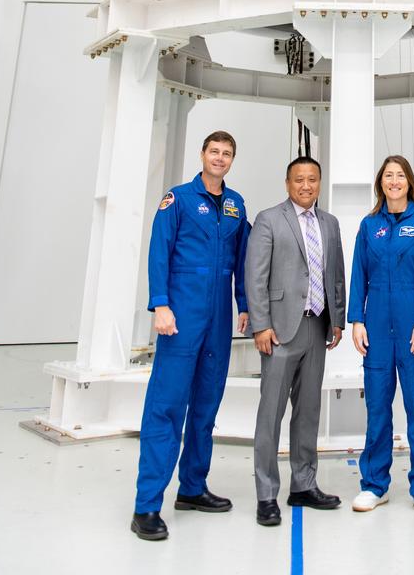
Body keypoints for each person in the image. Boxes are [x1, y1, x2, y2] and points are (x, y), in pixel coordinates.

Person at [132, 131, 250, 541]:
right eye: (214, 152)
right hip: (181, 313)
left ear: (232, 160)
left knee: (205, 406)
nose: (220, 158)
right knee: (166, 406)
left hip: (218, 317)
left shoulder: (236, 205)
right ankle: (147, 504)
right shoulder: (177, 199)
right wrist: (160, 303)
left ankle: (193, 487)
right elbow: (158, 251)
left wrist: (246, 304)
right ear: (203, 155)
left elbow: (242, 259)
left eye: (227, 154)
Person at [246, 156, 346, 526]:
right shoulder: (269, 220)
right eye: (299, 180)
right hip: (279, 330)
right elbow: (255, 276)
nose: (306, 186)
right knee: (270, 414)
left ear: (320, 182)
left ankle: (303, 484)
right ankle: (266, 493)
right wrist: (260, 325)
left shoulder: (330, 223)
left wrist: (337, 319)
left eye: (312, 180)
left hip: (317, 328)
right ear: (287, 183)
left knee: (308, 413)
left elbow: (336, 274)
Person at [348, 155, 414, 517]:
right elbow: (358, 273)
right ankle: (374, 485)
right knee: (377, 407)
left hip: (412, 327)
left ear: (409, 182)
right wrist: (356, 319)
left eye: (399, 175)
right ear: (380, 182)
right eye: (388, 175)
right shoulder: (369, 225)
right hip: (376, 327)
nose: (394, 181)